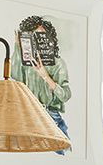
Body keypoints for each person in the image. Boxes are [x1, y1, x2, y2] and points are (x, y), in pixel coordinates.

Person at [10, 15, 72, 154]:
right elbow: (15, 76)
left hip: (51, 116)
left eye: (41, 37)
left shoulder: (58, 64)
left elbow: (66, 95)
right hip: (27, 114)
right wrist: (17, 47)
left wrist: (45, 76)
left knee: (63, 152)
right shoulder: (26, 63)